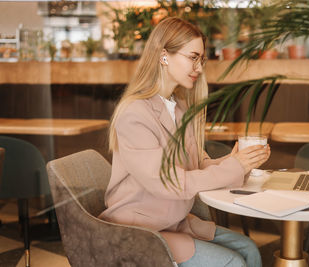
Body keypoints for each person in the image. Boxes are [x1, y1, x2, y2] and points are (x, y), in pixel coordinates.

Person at [99, 17, 271, 267]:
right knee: (234, 262)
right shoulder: (134, 114)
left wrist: (235, 161)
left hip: (173, 221)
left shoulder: (179, 109)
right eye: (193, 57)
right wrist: (234, 167)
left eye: (201, 60)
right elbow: (171, 183)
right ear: (164, 55)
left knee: (250, 249)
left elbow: (196, 167)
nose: (199, 68)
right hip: (140, 230)